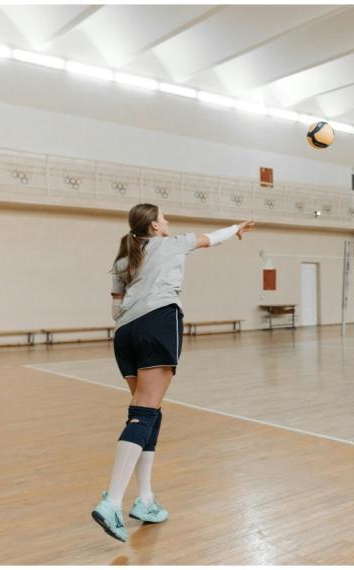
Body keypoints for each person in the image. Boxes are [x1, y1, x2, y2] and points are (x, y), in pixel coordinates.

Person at [92, 203, 255, 542]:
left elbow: (115, 308)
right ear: (153, 226)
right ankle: (113, 501)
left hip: (124, 335)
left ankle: (146, 499)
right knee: (143, 413)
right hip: (158, 324)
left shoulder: (122, 261)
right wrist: (236, 228)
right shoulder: (171, 243)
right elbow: (212, 239)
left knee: (149, 413)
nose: (167, 221)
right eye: (163, 218)